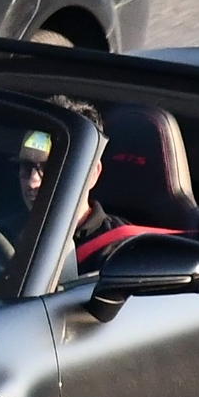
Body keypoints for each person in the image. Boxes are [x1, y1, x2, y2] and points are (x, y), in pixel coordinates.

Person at [18, 95, 174, 275]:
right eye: (26, 167)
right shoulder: (2, 233)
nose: (32, 182)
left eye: (49, 168)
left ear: (92, 174)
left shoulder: (119, 254)